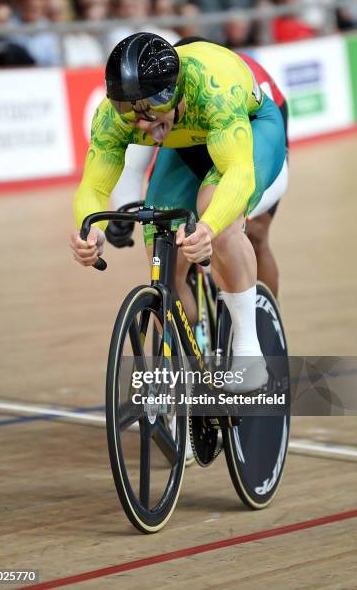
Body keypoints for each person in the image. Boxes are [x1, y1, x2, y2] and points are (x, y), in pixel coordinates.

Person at [71, 33, 287, 393]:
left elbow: (237, 173)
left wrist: (210, 226)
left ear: (174, 90)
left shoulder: (213, 86)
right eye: (130, 110)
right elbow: (93, 186)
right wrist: (89, 229)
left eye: (151, 106)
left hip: (249, 127)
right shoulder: (116, 114)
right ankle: (191, 376)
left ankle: (250, 349)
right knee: (163, 254)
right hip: (184, 142)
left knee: (217, 220)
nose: (141, 121)